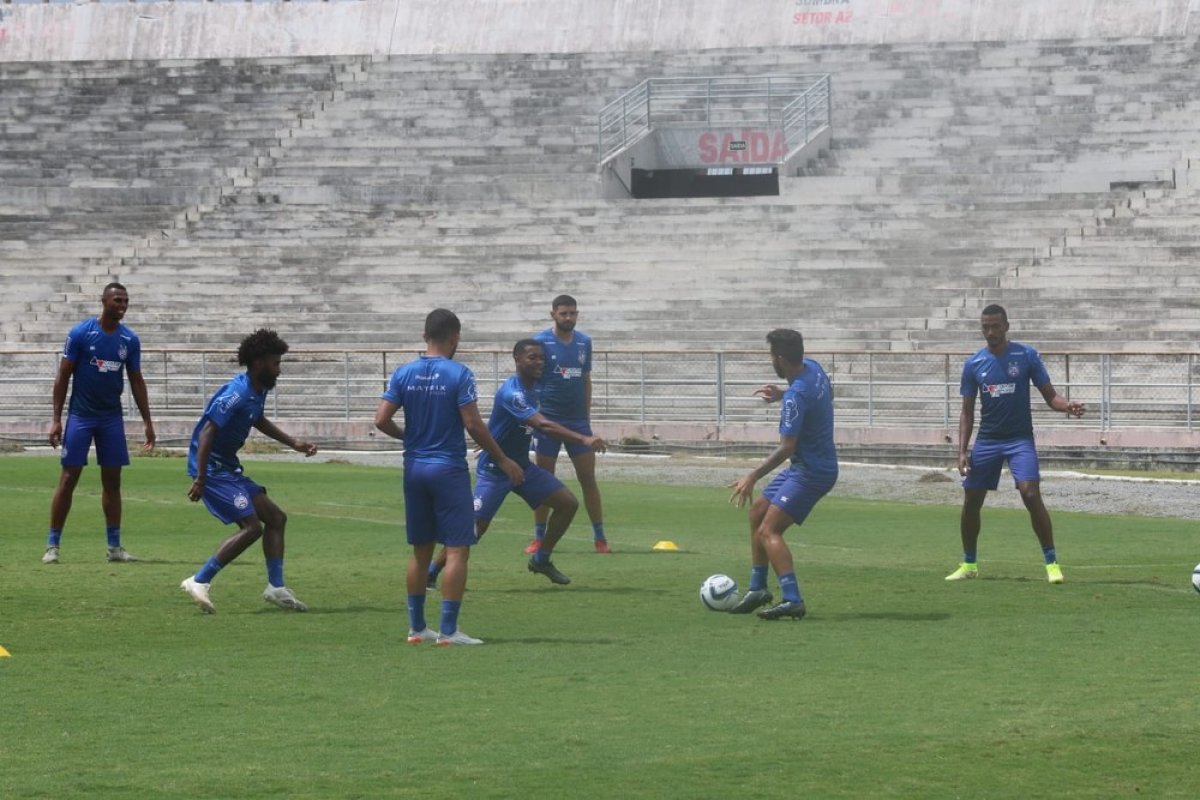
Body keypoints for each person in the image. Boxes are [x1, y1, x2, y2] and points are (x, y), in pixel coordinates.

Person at [374, 309, 525, 647]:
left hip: (414, 467)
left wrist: (407, 438)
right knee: (457, 549)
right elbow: (472, 424)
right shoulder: (459, 373)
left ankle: (416, 628)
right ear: (454, 336)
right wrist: (501, 458)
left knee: (420, 552)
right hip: (447, 468)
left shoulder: (404, 372)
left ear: (426, 335)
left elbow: (381, 419)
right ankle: (449, 631)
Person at [427, 339, 607, 590]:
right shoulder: (513, 393)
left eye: (542, 358)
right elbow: (542, 425)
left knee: (567, 504)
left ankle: (541, 559)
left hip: (521, 466)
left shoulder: (537, 387)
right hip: (496, 469)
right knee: (475, 528)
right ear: (517, 360)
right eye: (532, 358)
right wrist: (584, 438)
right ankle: (432, 573)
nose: (539, 362)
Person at [179, 329, 317, 614]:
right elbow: (207, 433)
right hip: (212, 469)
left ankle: (276, 587)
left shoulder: (258, 390)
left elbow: (257, 419)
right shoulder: (236, 393)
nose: (279, 370)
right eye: (275, 363)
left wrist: (293, 442)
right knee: (252, 527)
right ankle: (199, 580)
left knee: (276, 518)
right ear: (258, 363)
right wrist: (201, 478)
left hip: (227, 467)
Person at [946, 304, 1085, 584]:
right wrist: (961, 452)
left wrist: (1066, 405)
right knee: (971, 501)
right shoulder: (974, 364)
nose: (991, 332)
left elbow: (1051, 396)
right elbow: (967, 411)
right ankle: (969, 563)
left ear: (1007, 326)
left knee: (1030, 493)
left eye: (996, 326)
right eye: (985, 327)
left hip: (1019, 440)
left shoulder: (1026, 356)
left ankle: (1052, 564)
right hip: (987, 440)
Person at [727, 329, 838, 620]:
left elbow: (787, 447)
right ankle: (758, 589)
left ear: (779, 359)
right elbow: (822, 393)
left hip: (812, 472)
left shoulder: (796, 398)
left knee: (768, 530)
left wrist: (752, 475)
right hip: (807, 466)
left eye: (771, 356)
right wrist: (784, 394)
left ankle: (792, 599)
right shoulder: (813, 368)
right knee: (757, 512)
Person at [44, 281, 156, 564]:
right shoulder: (82, 333)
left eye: (126, 301)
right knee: (69, 478)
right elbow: (63, 377)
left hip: (111, 418)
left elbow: (136, 381)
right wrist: (56, 419)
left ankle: (115, 547)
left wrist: (147, 421)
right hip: (81, 416)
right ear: (104, 301)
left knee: (113, 481)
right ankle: (52, 545)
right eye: (117, 300)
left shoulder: (129, 340)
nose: (122, 305)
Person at [525, 294, 611, 554]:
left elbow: (586, 379)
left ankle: (600, 538)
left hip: (577, 423)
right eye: (563, 313)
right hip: (548, 421)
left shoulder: (584, 342)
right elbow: (533, 379)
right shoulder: (540, 342)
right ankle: (539, 537)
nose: (568, 318)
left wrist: (586, 419)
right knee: (543, 480)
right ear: (553, 314)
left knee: (588, 479)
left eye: (572, 313)